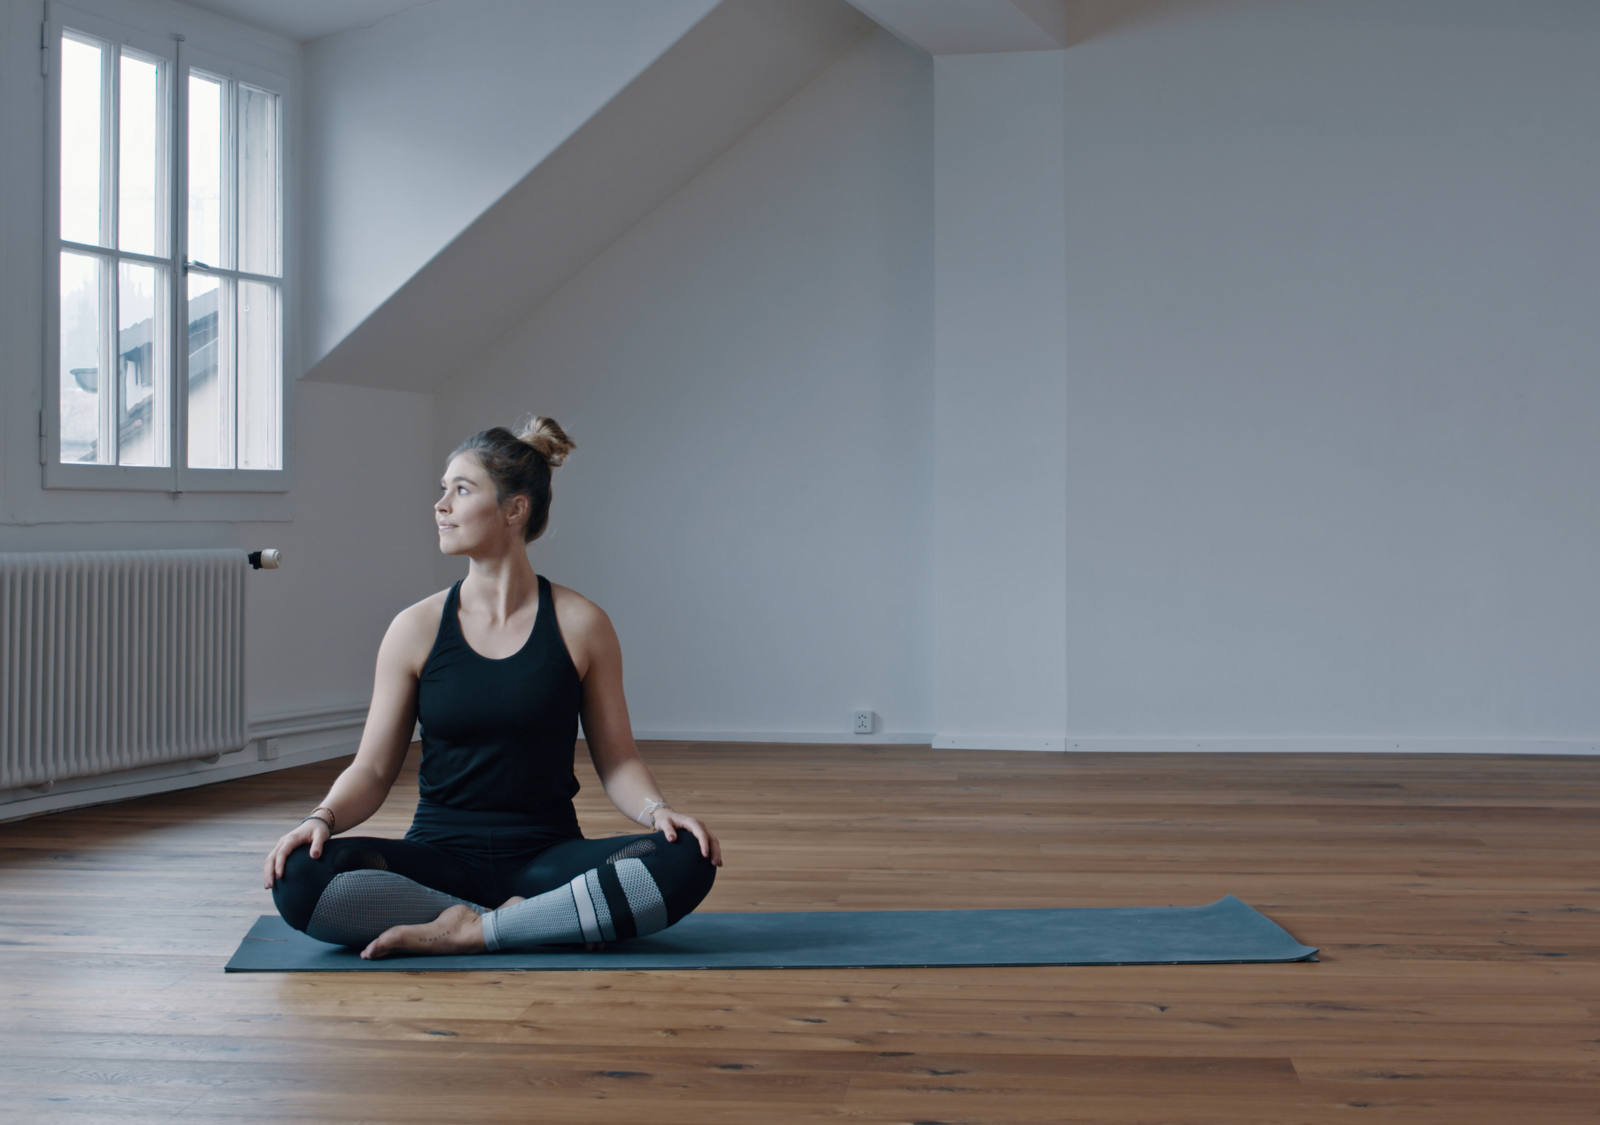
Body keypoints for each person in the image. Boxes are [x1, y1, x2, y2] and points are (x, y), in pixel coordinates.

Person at [262, 416, 721, 960]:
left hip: (548, 859)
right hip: (437, 860)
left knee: (687, 856)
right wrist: (320, 819)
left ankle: (474, 931)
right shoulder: (415, 628)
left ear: (514, 509)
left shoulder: (582, 624)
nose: (441, 505)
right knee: (298, 877)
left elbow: (618, 761)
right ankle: (531, 923)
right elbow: (373, 769)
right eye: (443, 490)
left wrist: (657, 813)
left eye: (461, 490)